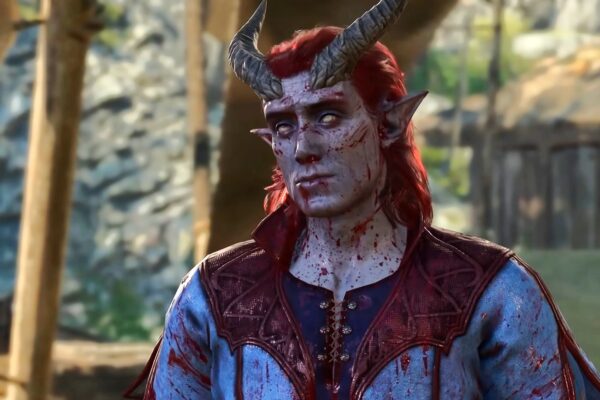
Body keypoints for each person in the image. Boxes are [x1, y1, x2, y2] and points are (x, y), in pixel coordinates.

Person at [125, 0, 600, 398]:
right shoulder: (213, 293)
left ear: (389, 124)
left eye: (328, 116)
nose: (304, 148)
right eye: (284, 126)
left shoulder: (492, 290)